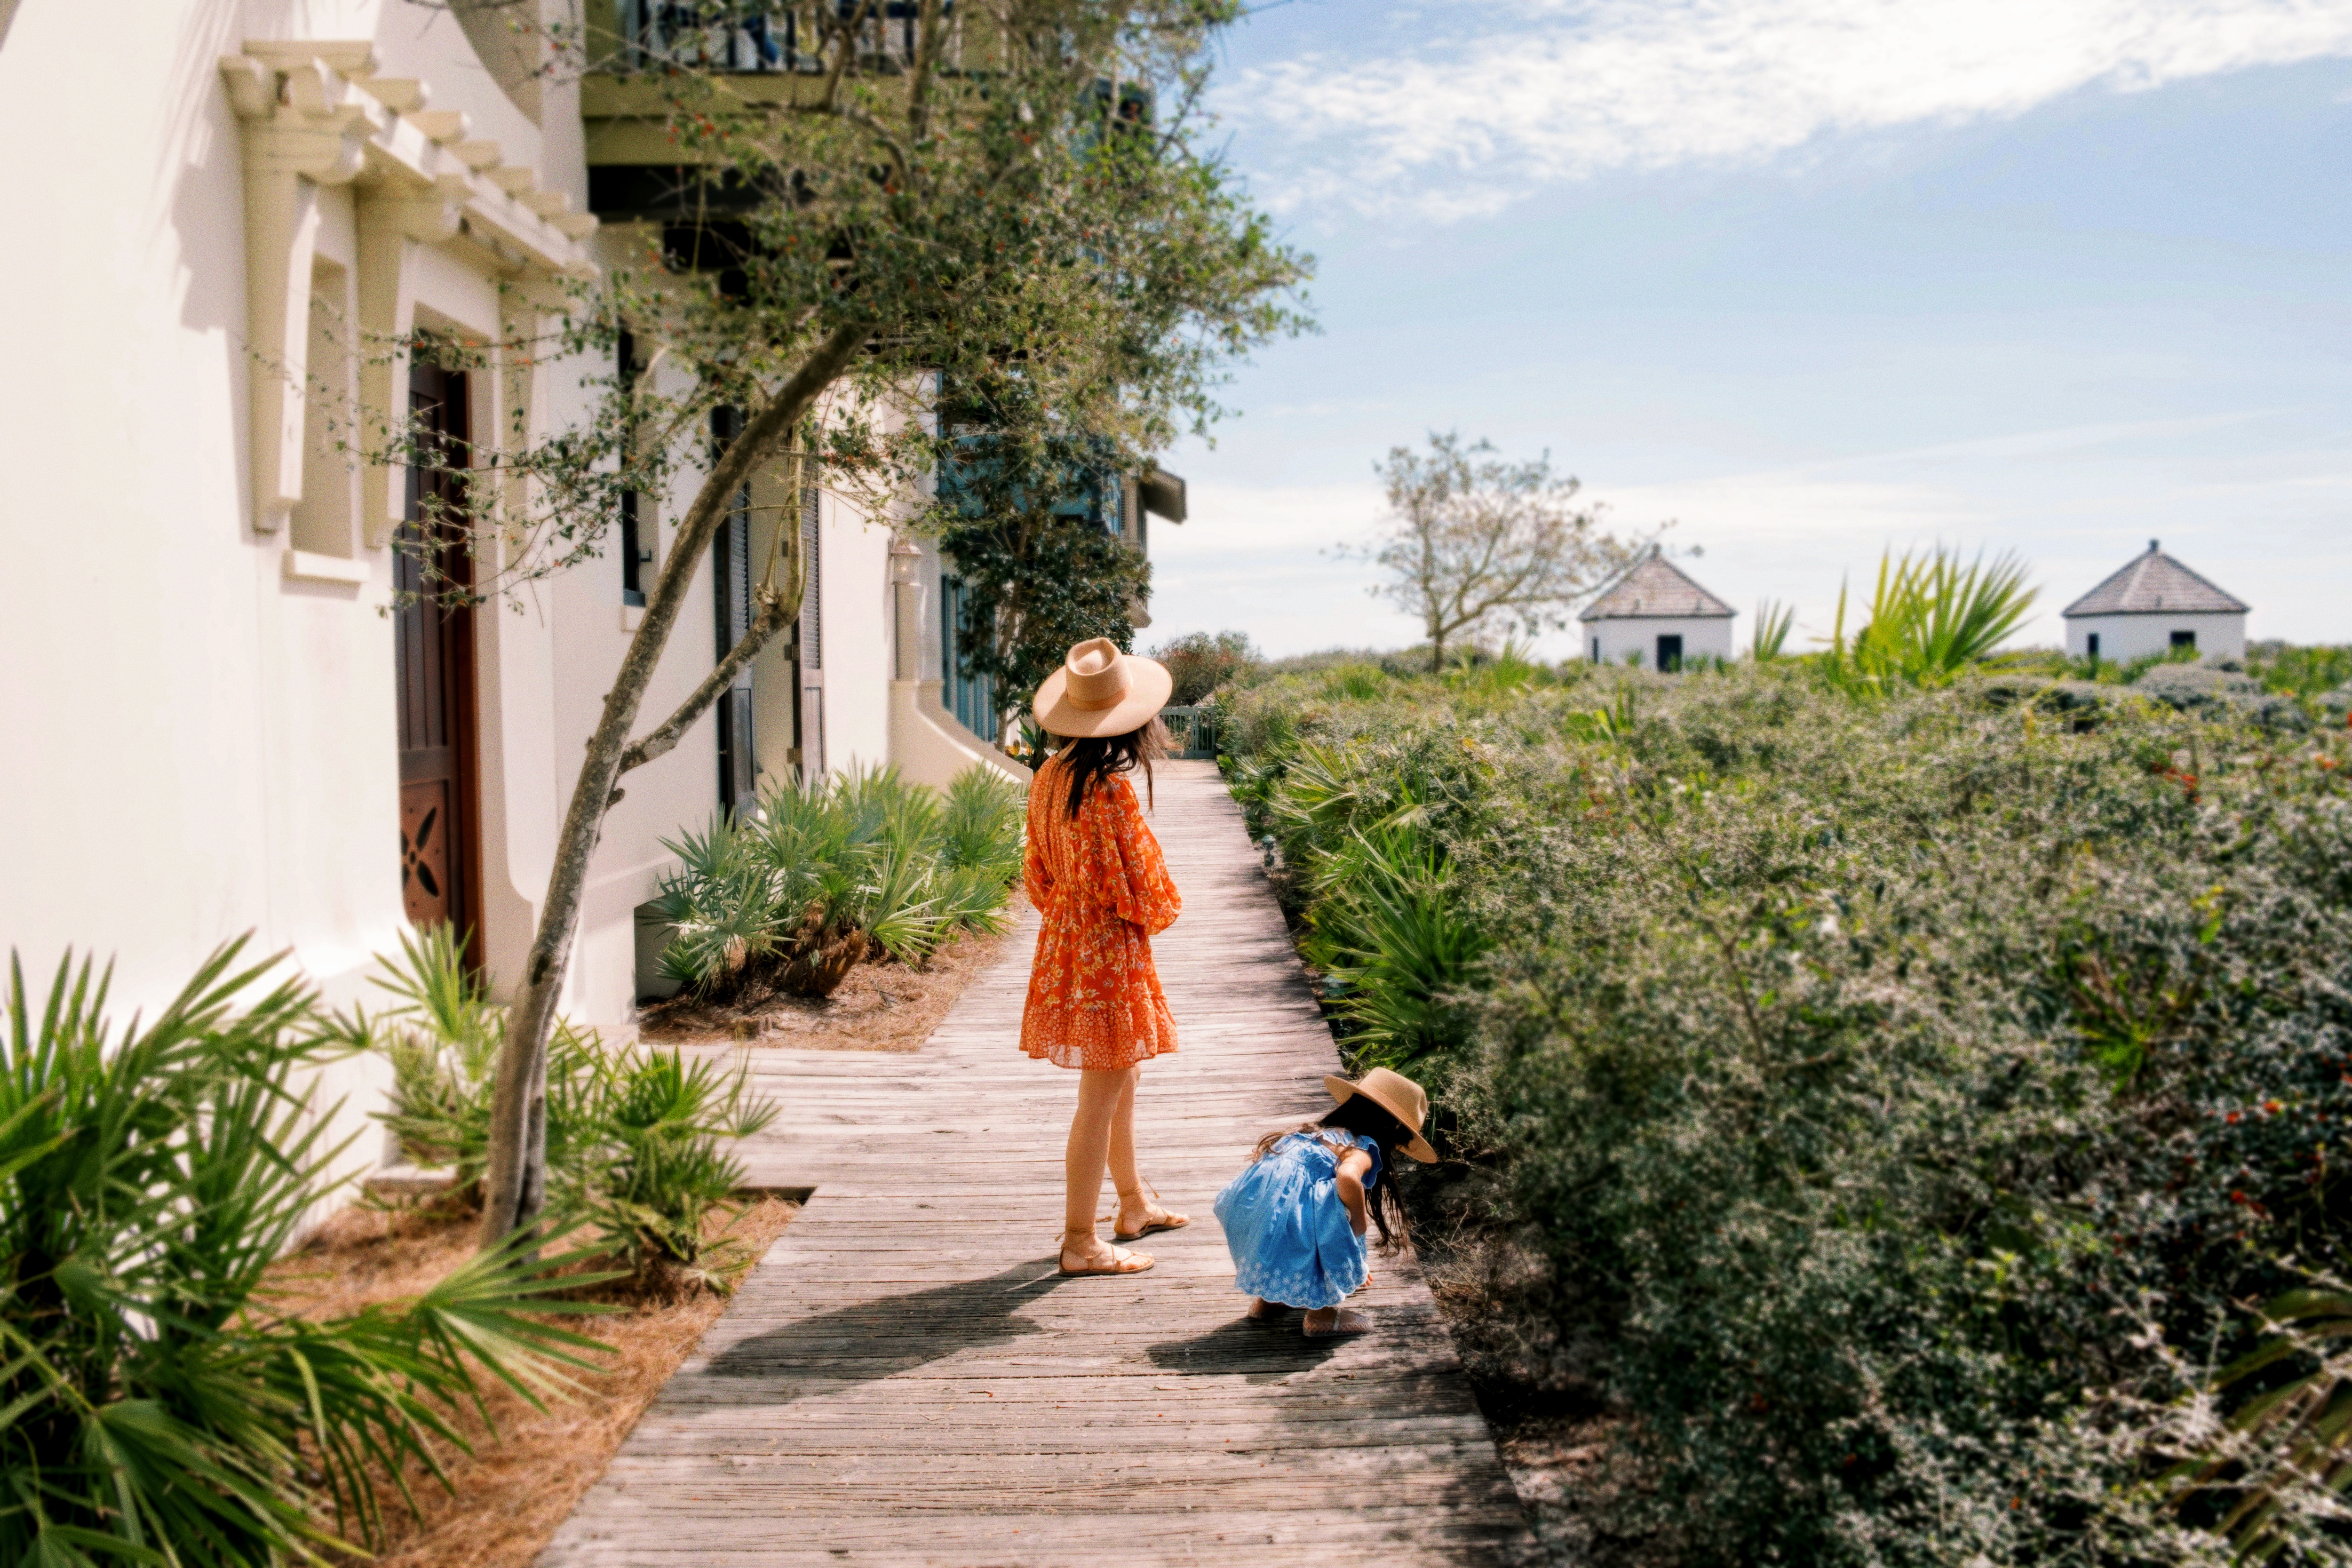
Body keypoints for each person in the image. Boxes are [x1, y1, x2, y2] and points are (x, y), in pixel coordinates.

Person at [1021, 637, 1190, 1276]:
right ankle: (1078, 1240)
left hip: (1067, 941)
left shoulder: (1049, 777)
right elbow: (1147, 892)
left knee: (1122, 1077)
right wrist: (1146, 914)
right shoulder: (1109, 791)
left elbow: (1036, 876)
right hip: (1108, 953)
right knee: (1101, 1092)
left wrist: (1072, 916)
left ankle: (1133, 1204)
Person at [1213, 1067, 1437, 1336]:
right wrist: (1358, 1229)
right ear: (1393, 1128)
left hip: (1250, 1204)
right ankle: (1322, 1316)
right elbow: (1348, 1176)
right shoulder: (1361, 1146)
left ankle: (1270, 1300)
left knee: (1295, 1224)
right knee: (1340, 1223)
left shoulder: (1313, 1133)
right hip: (1289, 1211)